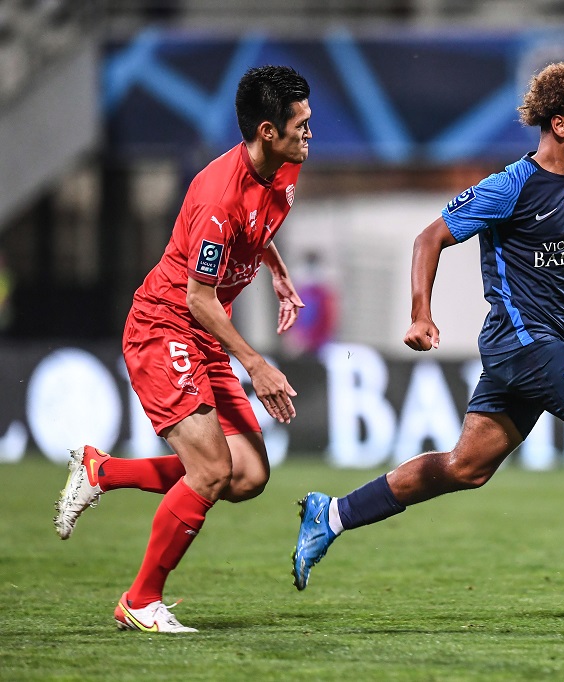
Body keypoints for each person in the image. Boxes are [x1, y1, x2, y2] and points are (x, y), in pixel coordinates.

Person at [291, 61, 564, 614]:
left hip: (541, 343)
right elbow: (429, 238)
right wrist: (420, 314)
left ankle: (334, 514)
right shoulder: (512, 186)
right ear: (559, 125)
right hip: (522, 342)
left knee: (466, 468)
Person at [53, 65, 313, 633]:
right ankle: (140, 601)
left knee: (247, 475)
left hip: (204, 333)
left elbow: (257, 227)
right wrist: (255, 362)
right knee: (213, 469)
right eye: (300, 124)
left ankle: (103, 471)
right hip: (165, 326)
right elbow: (198, 297)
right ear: (268, 131)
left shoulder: (285, 164)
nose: (309, 132)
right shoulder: (218, 198)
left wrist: (277, 272)